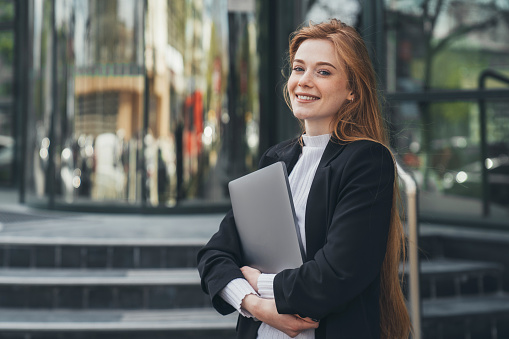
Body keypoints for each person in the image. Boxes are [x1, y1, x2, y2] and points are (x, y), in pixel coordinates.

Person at [197, 19, 411, 339]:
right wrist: (255, 305)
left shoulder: (367, 161)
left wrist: (258, 283)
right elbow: (214, 255)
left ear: (352, 90)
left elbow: (336, 275)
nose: (304, 81)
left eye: (323, 72)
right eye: (299, 69)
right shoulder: (276, 159)